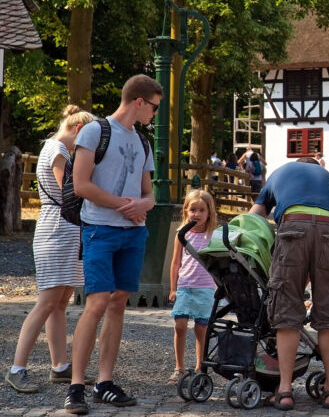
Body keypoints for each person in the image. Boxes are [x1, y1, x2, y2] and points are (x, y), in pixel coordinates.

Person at [64, 74, 159, 414]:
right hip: (100, 229)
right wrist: (124, 204)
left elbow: (150, 194)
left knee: (119, 301)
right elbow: (81, 186)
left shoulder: (143, 142)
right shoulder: (95, 131)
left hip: (133, 232)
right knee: (97, 302)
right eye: (153, 107)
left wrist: (142, 205)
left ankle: (104, 382)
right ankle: (76, 385)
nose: (154, 114)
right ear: (138, 102)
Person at [4, 105, 95, 394]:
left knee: (60, 301)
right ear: (79, 130)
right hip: (57, 229)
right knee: (47, 301)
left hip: (65, 229)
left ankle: (60, 366)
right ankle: (17, 368)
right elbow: (71, 191)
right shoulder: (58, 151)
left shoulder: (57, 148)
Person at [249, 157, 329, 410]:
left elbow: (253, 218)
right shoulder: (326, 177)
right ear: (317, 166)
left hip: (293, 224)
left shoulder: (279, 173)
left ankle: (284, 391)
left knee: (286, 307)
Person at [168, 190, 217, 384]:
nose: (197, 214)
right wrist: (173, 288)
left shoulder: (212, 236)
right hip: (185, 286)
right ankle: (179, 367)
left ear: (209, 212)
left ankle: (200, 366)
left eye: (201, 210)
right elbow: (175, 262)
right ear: (186, 211)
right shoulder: (182, 234)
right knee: (180, 326)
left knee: (201, 329)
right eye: (193, 209)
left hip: (205, 288)